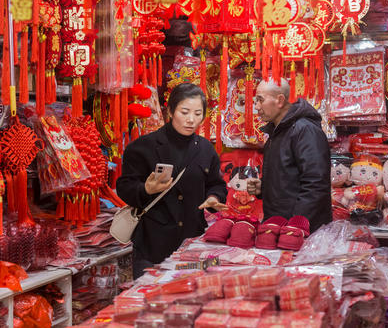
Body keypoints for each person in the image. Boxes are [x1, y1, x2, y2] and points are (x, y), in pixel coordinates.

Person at [116, 83, 227, 279]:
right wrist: (146, 189)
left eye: (198, 113)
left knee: (191, 300)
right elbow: (124, 188)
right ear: (170, 111)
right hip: (153, 246)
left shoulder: (206, 149)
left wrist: (213, 197)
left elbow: (215, 183)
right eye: (184, 112)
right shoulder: (143, 147)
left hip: (193, 245)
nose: (191, 120)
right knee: (150, 303)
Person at [247, 78, 332, 233]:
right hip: (281, 227)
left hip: (301, 231)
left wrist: (295, 227)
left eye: (260, 100)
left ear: (280, 100)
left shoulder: (305, 130)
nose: (256, 106)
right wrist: (265, 187)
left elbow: (315, 185)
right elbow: (289, 178)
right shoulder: (278, 131)